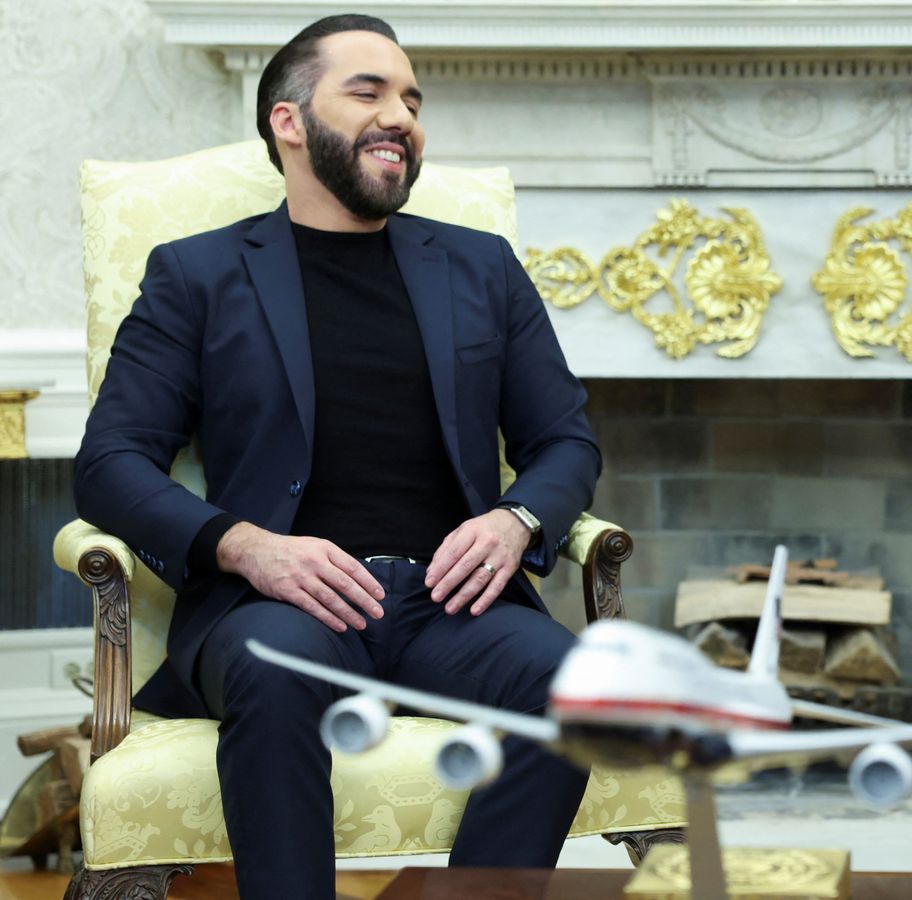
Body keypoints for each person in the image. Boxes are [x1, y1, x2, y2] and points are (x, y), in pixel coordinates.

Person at [73, 15, 596, 899]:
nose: (401, 115)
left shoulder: (482, 267)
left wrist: (517, 519)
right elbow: (111, 461)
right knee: (276, 676)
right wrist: (245, 546)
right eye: (369, 92)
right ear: (288, 121)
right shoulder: (197, 275)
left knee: (577, 682)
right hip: (280, 604)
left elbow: (564, 440)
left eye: (412, 100)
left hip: (453, 602)